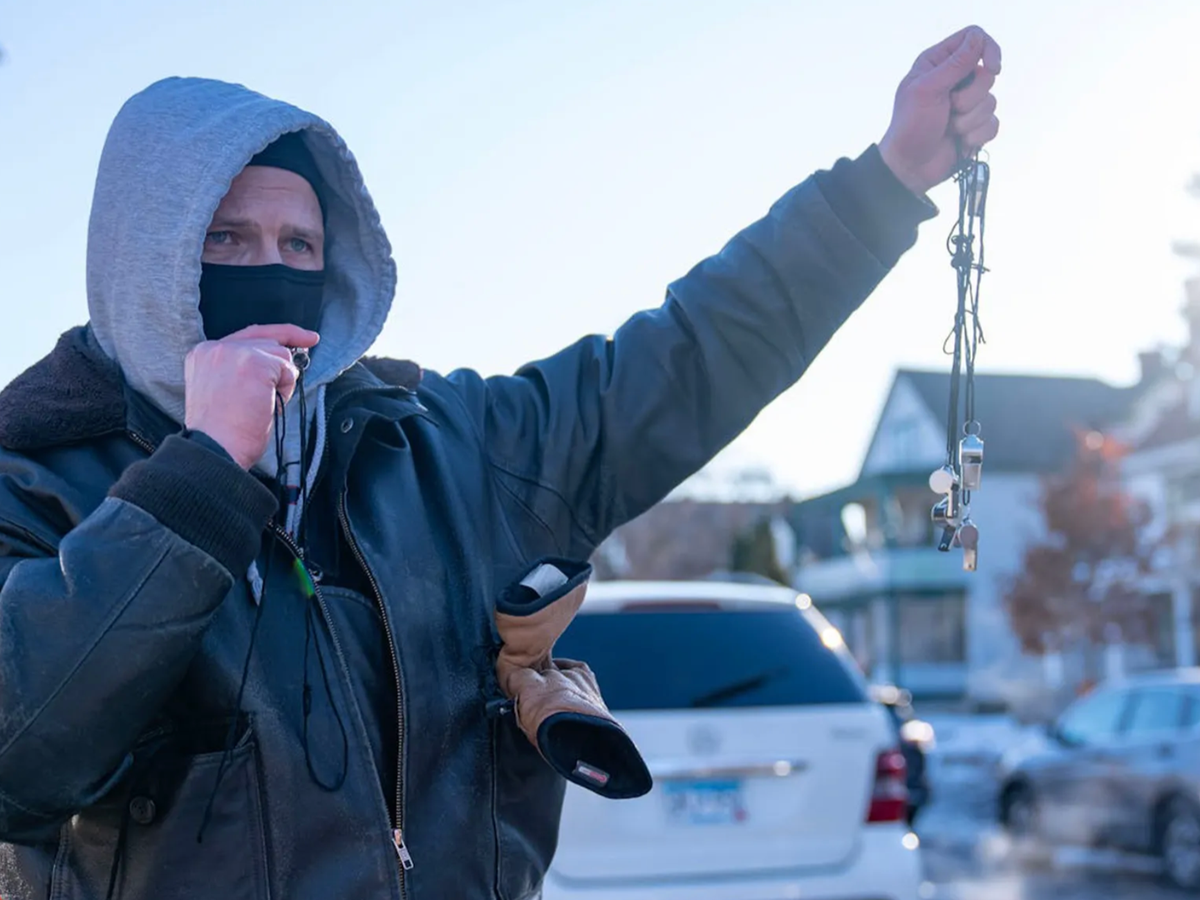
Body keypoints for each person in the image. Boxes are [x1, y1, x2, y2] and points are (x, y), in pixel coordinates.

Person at [0, 23, 1000, 900]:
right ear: (147, 252)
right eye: (228, 237)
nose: (273, 268)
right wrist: (204, 472)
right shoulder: (34, 480)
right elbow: (18, 758)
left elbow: (684, 358)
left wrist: (883, 185)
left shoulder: (448, 447)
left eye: (300, 245)